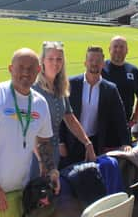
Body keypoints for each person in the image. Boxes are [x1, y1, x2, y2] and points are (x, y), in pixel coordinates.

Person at [0, 48, 60, 211]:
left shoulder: (40, 103)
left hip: (17, 191)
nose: (26, 72)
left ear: (38, 70)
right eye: (20, 67)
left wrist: (51, 170)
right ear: (10, 69)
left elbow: (43, 142)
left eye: (31, 68)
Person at [30, 41, 96, 179]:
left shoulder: (60, 88)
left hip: (53, 155)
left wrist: (87, 143)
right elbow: (31, 131)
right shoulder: (34, 89)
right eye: (50, 59)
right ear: (42, 61)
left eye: (59, 59)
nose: (55, 63)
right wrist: (44, 163)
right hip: (35, 157)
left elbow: (70, 118)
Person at [60, 46, 131, 167]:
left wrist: (126, 142)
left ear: (103, 64)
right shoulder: (71, 84)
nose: (94, 64)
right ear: (85, 63)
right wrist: (60, 141)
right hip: (70, 143)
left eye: (98, 61)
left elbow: (120, 117)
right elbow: (60, 114)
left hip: (94, 144)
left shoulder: (110, 89)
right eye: (91, 60)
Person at [102, 36, 138, 128]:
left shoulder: (133, 71)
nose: (118, 49)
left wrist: (135, 118)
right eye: (115, 46)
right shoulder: (100, 68)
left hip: (124, 124)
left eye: (121, 47)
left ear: (127, 50)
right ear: (109, 49)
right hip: (101, 123)